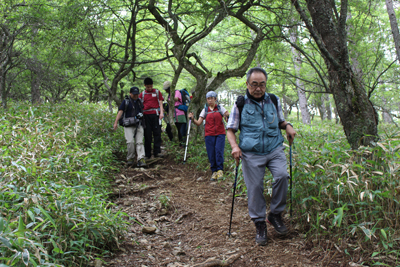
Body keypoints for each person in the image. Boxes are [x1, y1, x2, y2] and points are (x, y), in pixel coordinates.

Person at [226, 67, 296, 246]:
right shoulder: (240, 104)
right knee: (255, 187)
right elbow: (231, 129)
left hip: (274, 148)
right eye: (254, 84)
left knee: (281, 176)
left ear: (266, 84)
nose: (258, 88)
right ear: (247, 84)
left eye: (262, 84)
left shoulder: (273, 99)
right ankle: (259, 223)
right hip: (251, 153)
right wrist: (235, 146)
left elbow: (280, 120)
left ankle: (274, 214)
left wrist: (287, 126)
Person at [188, 91, 229, 181]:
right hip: (209, 134)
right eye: (208, 99)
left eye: (212, 98)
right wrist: (192, 118)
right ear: (206, 100)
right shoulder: (205, 110)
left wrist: (227, 115)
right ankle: (214, 171)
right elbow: (198, 122)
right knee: (211, 153)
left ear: (215, 99)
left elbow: (227, 116)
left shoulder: (220, 108)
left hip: (220, 134)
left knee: (219, 151)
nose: (210, 100)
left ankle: (220, 170)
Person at [113, 86, 147, 167]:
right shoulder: (126, 102)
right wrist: (116, 122)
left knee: (140, 142)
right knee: (130, 142)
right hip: (128, 124)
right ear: (130, 93)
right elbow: (120, 111)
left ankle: (141, 158)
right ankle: (130, 158)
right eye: (134, 94)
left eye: (137, 94)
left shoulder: (139, 102)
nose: (136, 96)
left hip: (139, 124)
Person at [139, 77, 164, 159]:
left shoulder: (157, 92)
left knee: (157, 133)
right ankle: (147, 153)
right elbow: (139, 105)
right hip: (146, 116)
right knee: (147, 134)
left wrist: (161, 113)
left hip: (155, 115)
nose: (150, 88)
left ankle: (157, 152)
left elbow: (160, 103)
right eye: (148, 87)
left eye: (151, 86)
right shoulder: (142, 94)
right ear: (145, 86)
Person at [163, 81, 187, 147]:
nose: (166, 90)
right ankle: (175, 143)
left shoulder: (176, 92)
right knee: (168, 129)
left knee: (179, 130)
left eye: (166, 89)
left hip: (179, 114)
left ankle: (180, 145)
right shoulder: (169, 95)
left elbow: (176, 99)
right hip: (173, 115)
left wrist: (170, 99)